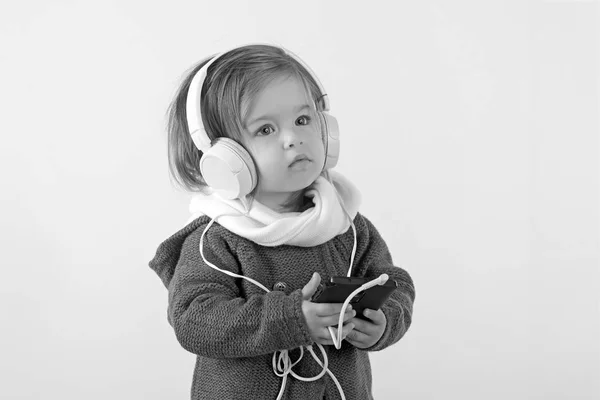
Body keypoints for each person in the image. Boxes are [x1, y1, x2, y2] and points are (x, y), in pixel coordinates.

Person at [149, 43, 416, 400]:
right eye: (265, 130)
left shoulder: (346, 225)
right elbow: (194, 320)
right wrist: (291, 320)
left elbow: (393, 282)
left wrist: (384, 321)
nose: (293, 139)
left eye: (303, 120)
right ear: (225, 159)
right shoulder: (217, 240)